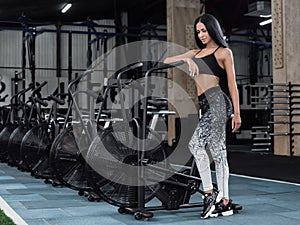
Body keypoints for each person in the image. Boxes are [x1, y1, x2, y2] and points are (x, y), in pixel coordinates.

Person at [164, 13, 241, 219]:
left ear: (212, 29)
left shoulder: (224, 52)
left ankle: (209, 193)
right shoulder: (195, 53)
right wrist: (186, 59)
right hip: (205, 105)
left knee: (196, 145)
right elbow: (166, 60)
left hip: (218, 101)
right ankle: (224, 200)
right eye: (198, 32)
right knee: (218, 151)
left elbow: (232, 85)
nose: (201, 34)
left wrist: (237, 113)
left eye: (204, 30)